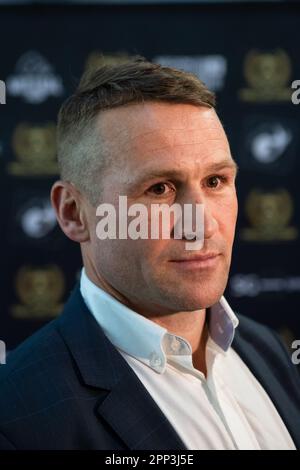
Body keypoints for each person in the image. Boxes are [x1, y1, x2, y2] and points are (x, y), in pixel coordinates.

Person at [0, 58, 299, 450]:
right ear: (74, 213)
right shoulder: (17, 419)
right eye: (159, 189)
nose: (202, 224)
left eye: (215, 181)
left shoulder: (265, 348)